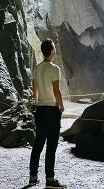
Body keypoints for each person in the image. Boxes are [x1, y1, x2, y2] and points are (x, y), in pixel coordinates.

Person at [28, 39, 67, 188]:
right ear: (51, 51)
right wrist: (61, 106)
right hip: (52, 110)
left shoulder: (37, 68)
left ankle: (33, 177)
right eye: (54, 49)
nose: (55, 50)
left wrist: (37, 104)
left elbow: (35, 91)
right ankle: (50, 179)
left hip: (41, 110)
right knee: (51, 146)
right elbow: (56, 90)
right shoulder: (54, 68)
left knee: (38, 144)